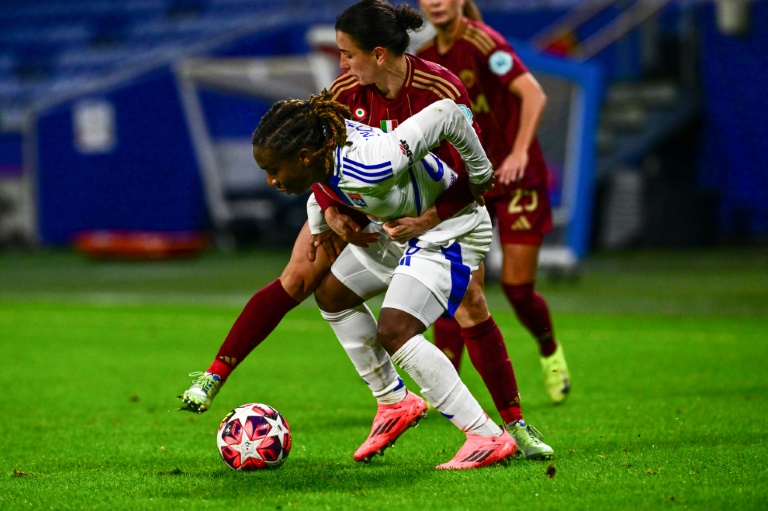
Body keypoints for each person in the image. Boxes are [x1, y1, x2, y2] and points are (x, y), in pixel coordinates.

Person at [179, 0, 552, 461]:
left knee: (468, 305)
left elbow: (472, 178)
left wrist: (428, 218)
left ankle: (508, 428)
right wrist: (334, 211)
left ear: (378, 54)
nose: (341, 63)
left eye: (347, 53)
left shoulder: (439, 90)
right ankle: (392, 401)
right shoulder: (341, 94)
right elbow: (320, 160)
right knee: (319, 285)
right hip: (381, 219)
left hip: (444, 220)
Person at [253, 90, 514, 469]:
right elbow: (322, 189)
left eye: (274, 170)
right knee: (332, 293)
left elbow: (447, 113)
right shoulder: (323, 154)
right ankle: (394, 401)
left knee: (395, 330)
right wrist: (321, 220)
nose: (271, 180)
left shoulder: (371, 164)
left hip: (452, 231)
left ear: (304, 157)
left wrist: (480, 174)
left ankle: (485, 435)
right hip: (406, 232)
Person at [407, 0, 571, 405]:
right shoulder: (425, 58)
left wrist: (518, 153)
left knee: (517, 289)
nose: (436, 2)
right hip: (469, 184)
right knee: (460, 286)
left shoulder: (486, 44)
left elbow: (533, 95)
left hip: (517, 180)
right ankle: (446, 391)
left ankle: (549, 351)